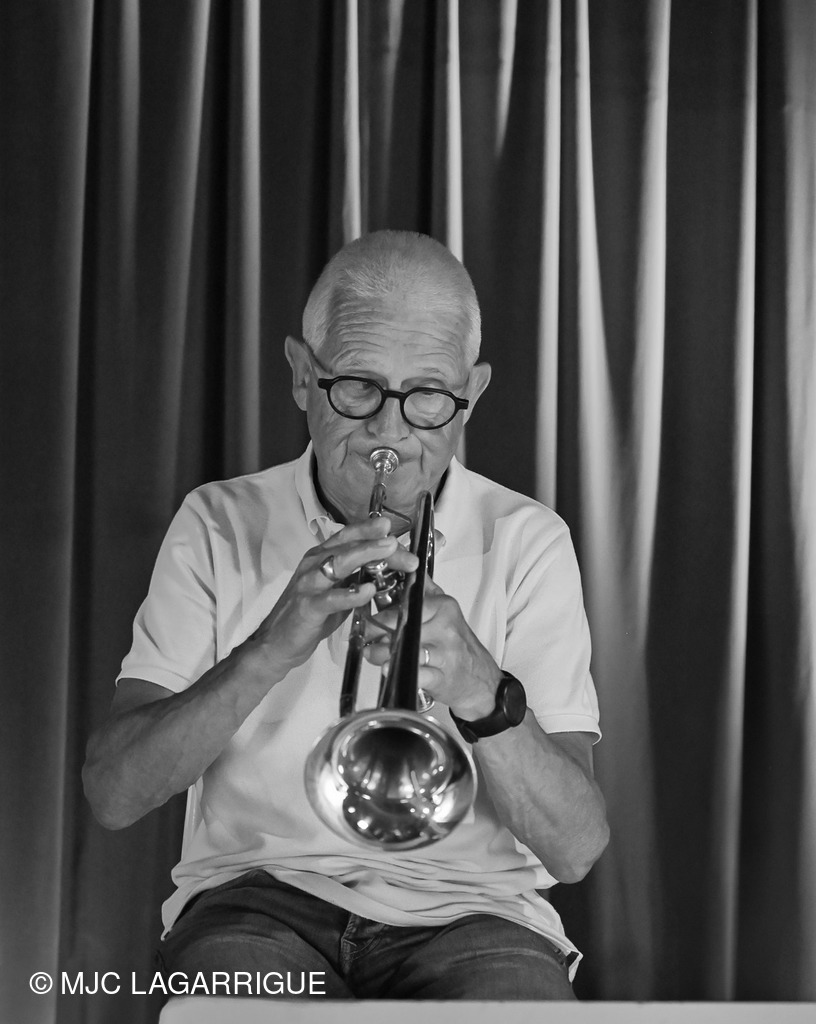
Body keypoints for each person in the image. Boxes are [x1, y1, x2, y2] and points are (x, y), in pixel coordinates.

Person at [83, 230, 609, 1000]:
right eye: (359, 386)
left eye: (427, 395)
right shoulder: (219, 523)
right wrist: (268, 649)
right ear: (304, 374)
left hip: (478, 913)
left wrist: (481, 689)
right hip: (256, 901)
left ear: (472, 391)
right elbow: (113, 792)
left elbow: (577, 848)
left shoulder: (527, 539)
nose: (389, 430)